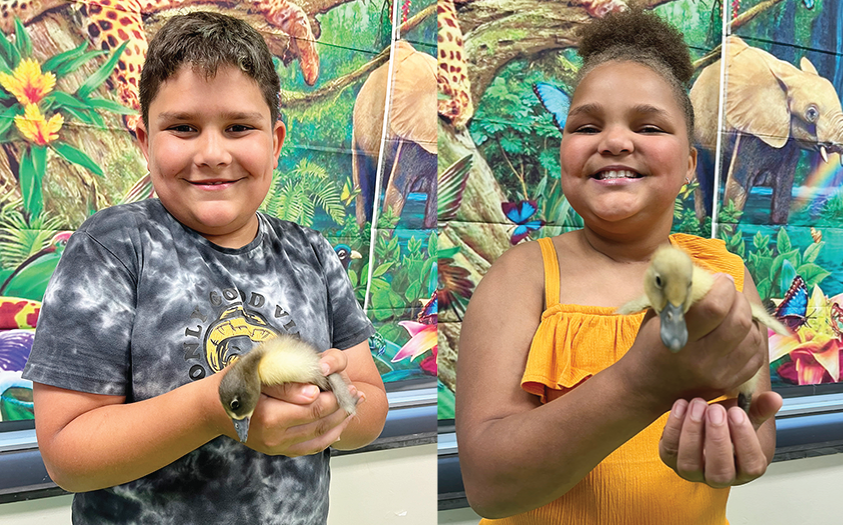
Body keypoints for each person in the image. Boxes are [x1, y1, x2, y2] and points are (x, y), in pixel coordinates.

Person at [22, 11, 388, 524]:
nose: (213, 153)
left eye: (239, 127)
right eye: (183, 128)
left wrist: (320, 414)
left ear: (275, 141)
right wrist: (213, 411)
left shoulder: (312, 253)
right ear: (144, 141)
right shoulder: (112, 249)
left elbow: (369, 405)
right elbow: (67, 457)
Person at [455, 8, 782, 524]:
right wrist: (641, 383)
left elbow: (756, 426)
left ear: (691, 165)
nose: (613, 141)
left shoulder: (729, 277)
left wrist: (738, 446)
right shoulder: (522, 276)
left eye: (648, 125)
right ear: (563, 151)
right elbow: (489, 488)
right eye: (586, 126)